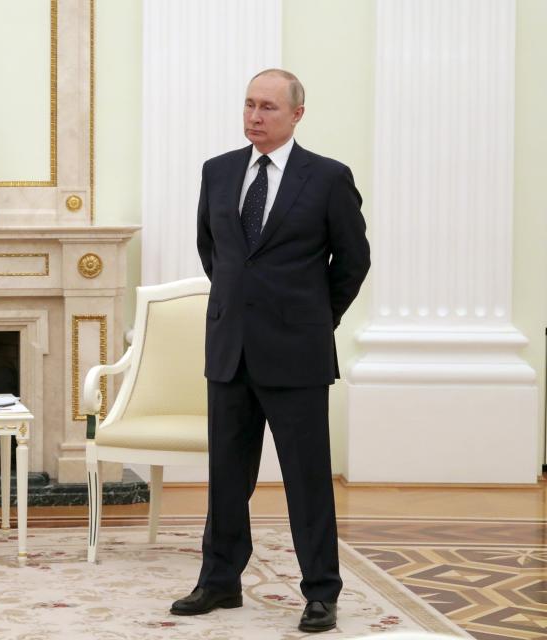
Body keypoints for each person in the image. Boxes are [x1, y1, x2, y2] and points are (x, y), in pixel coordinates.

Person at [171, 69, 370, 633]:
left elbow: (352, 262)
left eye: (267, 108)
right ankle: (219, 581)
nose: (254, 117)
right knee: (227, 475)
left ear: (297, 115)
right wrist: (240, 309)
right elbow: (213, 251)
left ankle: (321, 592)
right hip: (230, 349)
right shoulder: (218, 172)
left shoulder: (328, 178)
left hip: (297, 354)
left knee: (307, 479)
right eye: (248, 105)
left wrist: (313, 319)